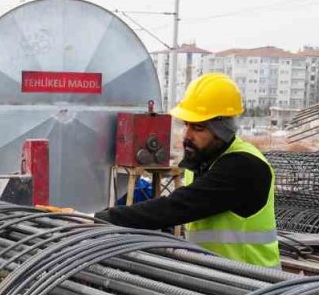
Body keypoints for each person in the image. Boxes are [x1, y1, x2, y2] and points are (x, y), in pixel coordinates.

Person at [92, 73, 280, 268]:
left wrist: (99, 220)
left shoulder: (244, 167)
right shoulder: (202, 161)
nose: (187, 135)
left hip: (253, 285)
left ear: (222, 130)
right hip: (216, 279)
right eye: (186, 125)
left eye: (197, 128)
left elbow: (177, 207)